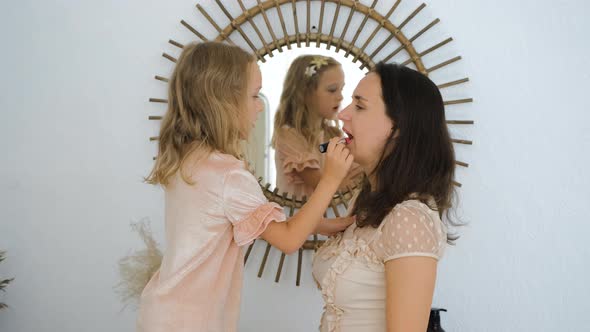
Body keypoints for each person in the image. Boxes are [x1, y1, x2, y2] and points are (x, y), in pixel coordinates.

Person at [136, 42, 354, 332]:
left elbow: (240, 221)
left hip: (165, 310)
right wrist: (331, 180)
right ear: (222, 102)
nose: (261, 104)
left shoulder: (191, 159)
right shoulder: (228, 174)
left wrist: (321, 225)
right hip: (191, 322)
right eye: (253, 95)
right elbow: (287, 240)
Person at [312, 62, 457, 332]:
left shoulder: (409, 218)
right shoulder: (364, 200)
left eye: (360, 106)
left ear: (398, 126)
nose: (343, 114)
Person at [272, 55, 363, 199]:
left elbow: (355, 170)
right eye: (332, 90)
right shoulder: (288, 136)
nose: (340, 97)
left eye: (341, 89)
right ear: (305, 93)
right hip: (298, 218)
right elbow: (324, 186)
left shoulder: (333, 135)